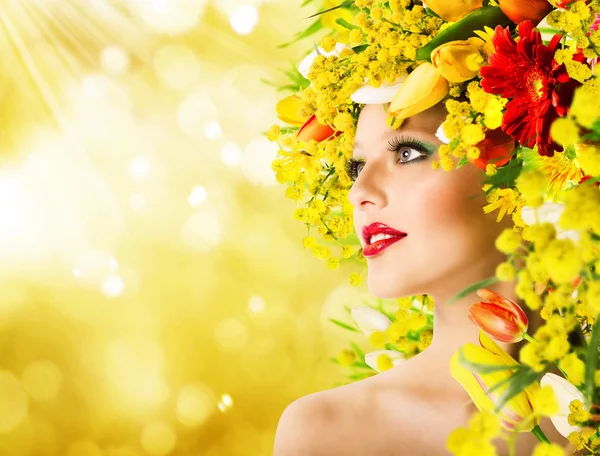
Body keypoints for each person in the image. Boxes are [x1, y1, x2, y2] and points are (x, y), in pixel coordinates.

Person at [273, 100, 575, 455]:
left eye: (406, 153)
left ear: (526, 165)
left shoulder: (588, 411)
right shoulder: (326, 432)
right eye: (357, 166)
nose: (358, 192)